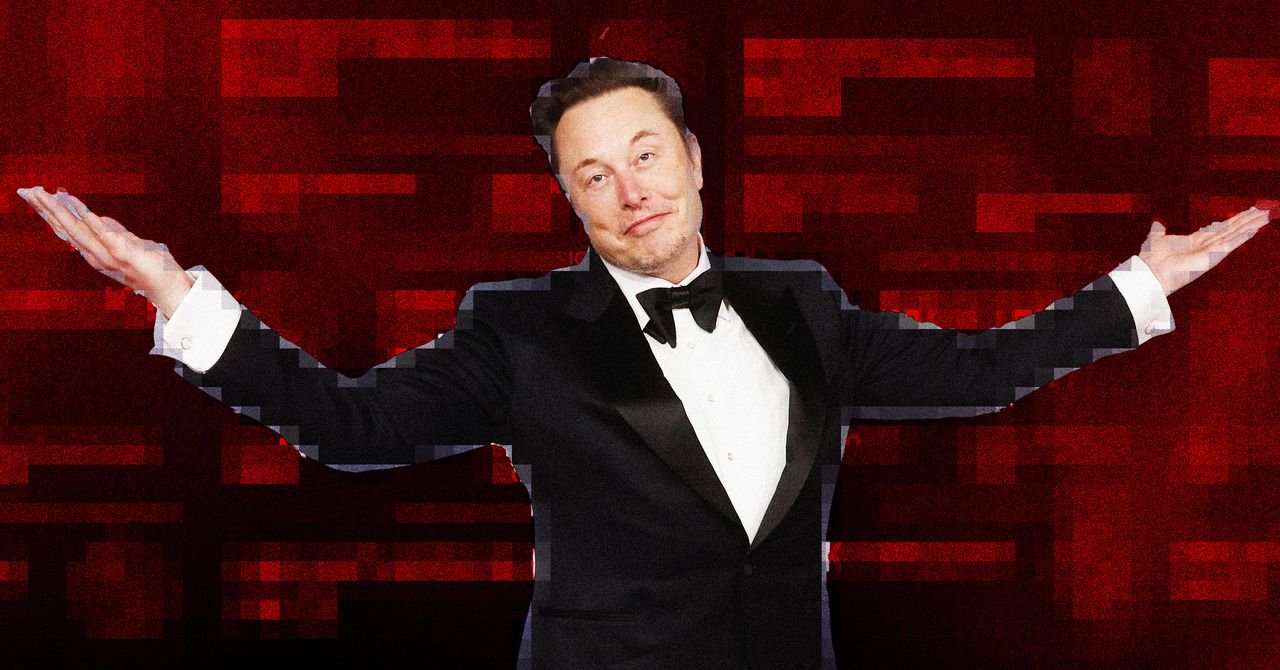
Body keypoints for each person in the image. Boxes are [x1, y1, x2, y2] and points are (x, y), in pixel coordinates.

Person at [16, 57, 1271, 669]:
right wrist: (183, 299)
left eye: (645, 155)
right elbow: (352, 426)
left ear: (693, 159)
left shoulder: (800, 300)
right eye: (592, 175)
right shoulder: (517, 327)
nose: (629, 191)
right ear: (568, 200)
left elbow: (975, 370)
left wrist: (1133, 290)